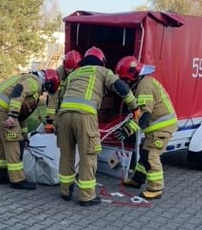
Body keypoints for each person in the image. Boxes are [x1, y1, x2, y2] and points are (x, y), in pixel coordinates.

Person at [57, 46, 139, 206]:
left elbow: (60, 96)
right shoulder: (102, 71)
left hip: (64, 115)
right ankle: (87, 196)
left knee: (66, 154)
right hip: (85, 115)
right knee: (88, 154)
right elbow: (119, 86)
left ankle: (65, 191)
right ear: (101, 61)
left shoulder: (74, 74)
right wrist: (134, 106)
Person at [0, 68, 60, 190]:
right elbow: (19, 90)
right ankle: (17, 180)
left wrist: (24, 135)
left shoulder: (26, 77)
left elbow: (22, 114)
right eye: (47, 89)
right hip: (4, 108)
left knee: (1, 143)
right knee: (13, 143)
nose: (44, 92)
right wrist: (12, 115)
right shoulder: (35, 82)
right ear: (48, 83)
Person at [115, 56, 178, 200]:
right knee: (144, 152)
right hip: (157, 127)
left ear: (132, 76)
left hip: (162, 127)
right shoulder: (143, 82)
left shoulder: (144, 87)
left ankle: (156, 188)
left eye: (125, 80)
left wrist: (127, 130)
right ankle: (137, 179)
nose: (125, 83)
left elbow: (144, 114)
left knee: (150, 155)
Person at [44, 50, 82, 134]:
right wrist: (50, 121)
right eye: (67, 70)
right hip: (61, 105)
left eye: (71, 70)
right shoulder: (58, 73)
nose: (68, 72)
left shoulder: (82, 73)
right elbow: (52, 97)